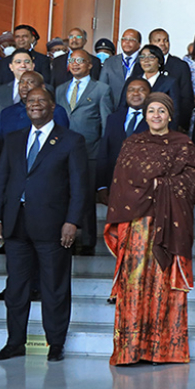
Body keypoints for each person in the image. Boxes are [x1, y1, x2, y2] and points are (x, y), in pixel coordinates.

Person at [104, 92, 195, 366]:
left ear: (170, 115)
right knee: (134, 284)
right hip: (136, 225)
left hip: (168, 225)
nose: (156, 116)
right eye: (151, 111)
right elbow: (122, 182)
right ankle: (130, 349)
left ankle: (163, 350)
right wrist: (154, 184)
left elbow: (194, 177)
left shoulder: (183, 144)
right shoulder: (132, 143)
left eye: (162, 111)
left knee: (163, 285)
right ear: (145, 115)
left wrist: (164, 186)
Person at [0, 88, 88, 362]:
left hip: (54, 225)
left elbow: (79, 186)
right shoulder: (13, 139)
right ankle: (14, 342)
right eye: (30, 101)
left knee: (54, 287)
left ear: (52, 106)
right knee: (16, 287)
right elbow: (1, 181)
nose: (35, 105)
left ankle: (55, 343)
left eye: (40, 101)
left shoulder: (71, 140)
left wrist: (72, 221)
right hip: (16, 224)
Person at [56, 51, 112, 254]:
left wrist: (103, 152)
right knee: (63, 195)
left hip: (90, 152)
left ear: (90, 65)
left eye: (80, 61)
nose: (75, 64)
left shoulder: (101, 89)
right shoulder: (60, 89)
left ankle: (87, 241)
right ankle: (65, 239)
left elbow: (106, 125)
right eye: (72, 60)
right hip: (62, 151)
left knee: (85, 197)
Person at [96, 79, 150, 201]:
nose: (135, 93)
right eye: (131, 90)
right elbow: (104, 152)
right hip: (115, 186)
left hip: (144, 190)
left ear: (150, 95)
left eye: (141, 90)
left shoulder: (156, 120)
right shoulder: (113, 118)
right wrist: (102, 185)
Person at [0, 70, 69, 139]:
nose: (24, 86)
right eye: (21, 82)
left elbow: (62, 139)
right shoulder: (6, 112)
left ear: (42, 87)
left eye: (30, 82)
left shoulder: (55, 111)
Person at [128, 45, 185, 129]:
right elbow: (123, 106)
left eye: (151, 57)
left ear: (159, 61)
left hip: (158, 129)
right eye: (142, 57)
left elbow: (174, 112)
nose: (146, 60)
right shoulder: (132, 81)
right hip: (132, 126)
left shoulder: (170, 82)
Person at [147, 29, 195, 127]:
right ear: (150, 43)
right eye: (158, 40)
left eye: (166, 40)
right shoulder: (141, 65)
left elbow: (186, 98)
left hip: (171, 123)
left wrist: (181, 124)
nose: (163, 44)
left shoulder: (180, 66)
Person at [0, 49, 35, 123]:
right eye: (18, 62)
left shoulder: (45, 89)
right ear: (11, 67)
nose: (23, 65)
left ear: (32, 66)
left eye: (27, 62)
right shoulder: (0, 90)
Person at [101, 29, 144, 107]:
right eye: (124, 39)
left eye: (131, 39)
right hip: (113, 109)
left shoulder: (144, 61)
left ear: (139, 44)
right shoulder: (110, 62)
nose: (127, 42)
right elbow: (102, 90)